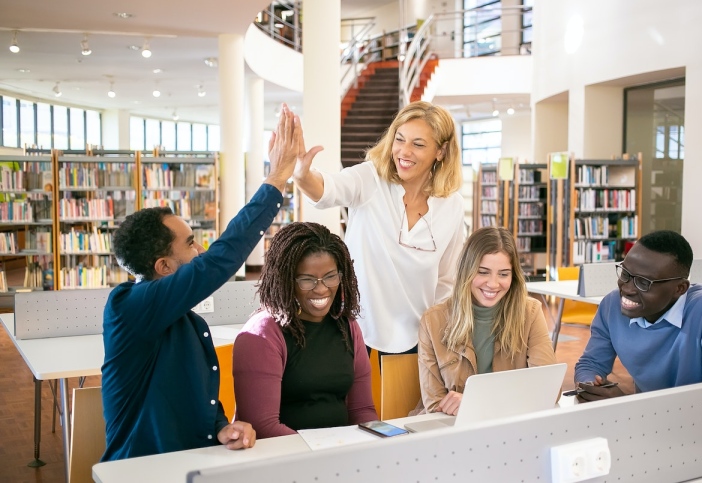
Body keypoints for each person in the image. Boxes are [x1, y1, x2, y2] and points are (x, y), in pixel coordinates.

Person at [100, 104, 302, 461]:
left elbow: (191, 395)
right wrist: (276, 180)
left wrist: (222, 426)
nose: (201, 250)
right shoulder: (128, 307)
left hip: (192, 464)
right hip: (142, 471)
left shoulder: (186, 321)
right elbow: (219, 261)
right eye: (191, 243)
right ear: (163, 266)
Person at [292, 101, 465, 356]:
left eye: (418, 144)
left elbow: (447, 281)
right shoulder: (371, 179)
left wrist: (438, 337)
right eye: (400, 139)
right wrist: (302, 176)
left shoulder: (452, 205)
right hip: (354, 330)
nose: (404, 152)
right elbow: (329, 189)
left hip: (417, 338)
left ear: (441, 151)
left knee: (404, 398)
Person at [233, 222, 378, 438]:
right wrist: (323, 454)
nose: (321, 289)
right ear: (286, 280)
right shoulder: (262, 334)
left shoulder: (347, 326)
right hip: (286, 458)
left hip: (339, 453)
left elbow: (362, 411)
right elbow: (262, 426)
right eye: (307, 280)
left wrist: (378, 440)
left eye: (330, 276)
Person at [574, 230, 702, 402]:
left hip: (701, 423)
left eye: (643, 282)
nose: (627, 289)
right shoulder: (612, 304)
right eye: (625, 274)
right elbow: (591, 364)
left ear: (680, 288)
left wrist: (626, 404)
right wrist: (590, 384)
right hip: (648, 422)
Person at [417, 227, 557, 415]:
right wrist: (505, 400)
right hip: (453, 429)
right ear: (467, 271)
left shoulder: (530, 313)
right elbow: (435, 405)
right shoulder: (432, 321)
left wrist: (475, 402)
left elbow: (548, 389)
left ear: (513, 276)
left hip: (510, 425)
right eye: (483, 272)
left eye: (503, 274)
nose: (493, 284)